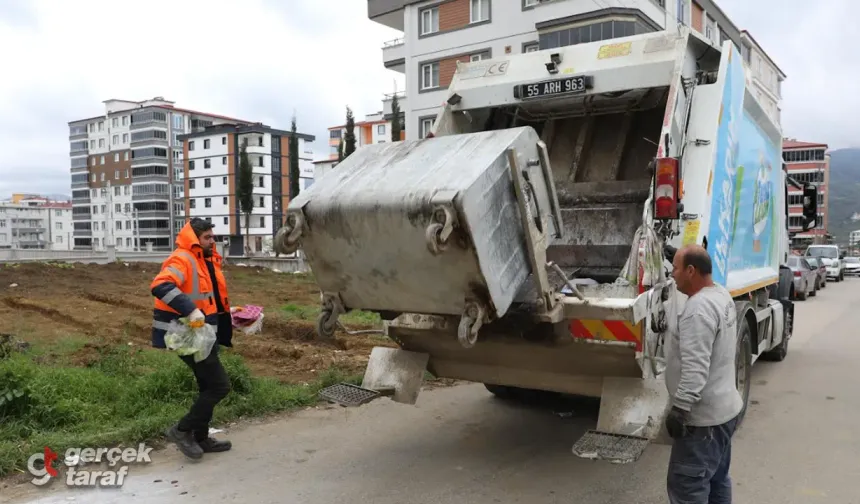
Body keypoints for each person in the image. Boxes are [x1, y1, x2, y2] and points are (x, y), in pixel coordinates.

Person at [665, 245, 744, 504]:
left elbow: (695, 370)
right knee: (717, 479)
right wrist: (679, 255)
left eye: (675, 268)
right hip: (725, 412)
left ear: (691, 271)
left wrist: (679, 409)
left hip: (703, 422)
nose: (671, 274)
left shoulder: (697, 311)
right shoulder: (719, 294)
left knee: (688, 488)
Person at [150, 218, 234, 460]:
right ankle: (182, 430)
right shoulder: (182, 259)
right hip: (186, 334)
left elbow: (207, 299)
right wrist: (190, 310)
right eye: (207, 237)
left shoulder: (204, 261)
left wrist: (231, 315)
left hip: (201, 333)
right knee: (220, 386)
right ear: (195, 239)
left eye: (212, 236)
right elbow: (161, 285)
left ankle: (200, 437)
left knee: (207, 385)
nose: (212, 241)